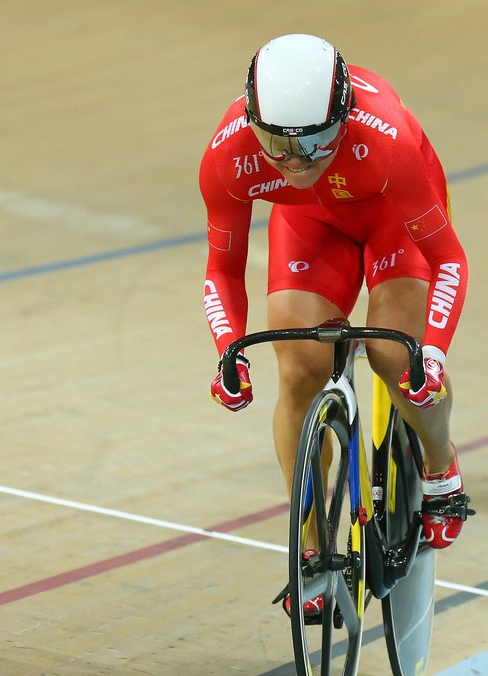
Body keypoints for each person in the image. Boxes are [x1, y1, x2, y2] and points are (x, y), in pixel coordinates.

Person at [199, 34, 473, 614]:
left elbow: (449, 258)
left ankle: (440, 462)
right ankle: (312, 542)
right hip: (310, 225)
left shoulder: (387, 139)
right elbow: (221, 271)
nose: (297, 160)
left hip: (393, 219)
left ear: (343, 114)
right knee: (300, 365)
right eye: (278, 145)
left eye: (316, 142)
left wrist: (435, 354)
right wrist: (229, 351)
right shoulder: (228, 156)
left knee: (395, 356)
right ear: (253, 121)